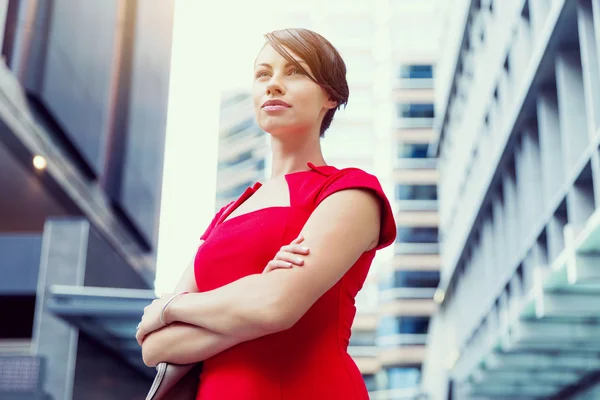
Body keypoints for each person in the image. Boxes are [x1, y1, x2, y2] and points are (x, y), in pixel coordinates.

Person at [136, 27, 396, 399]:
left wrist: (172, 307)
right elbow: (156, 347)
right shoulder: (228, 212)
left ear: (330, 95)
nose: (273, 85)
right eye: (263, 74)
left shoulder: (350, 191)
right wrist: (256, 293)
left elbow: (276, 307)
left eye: (294, 72)